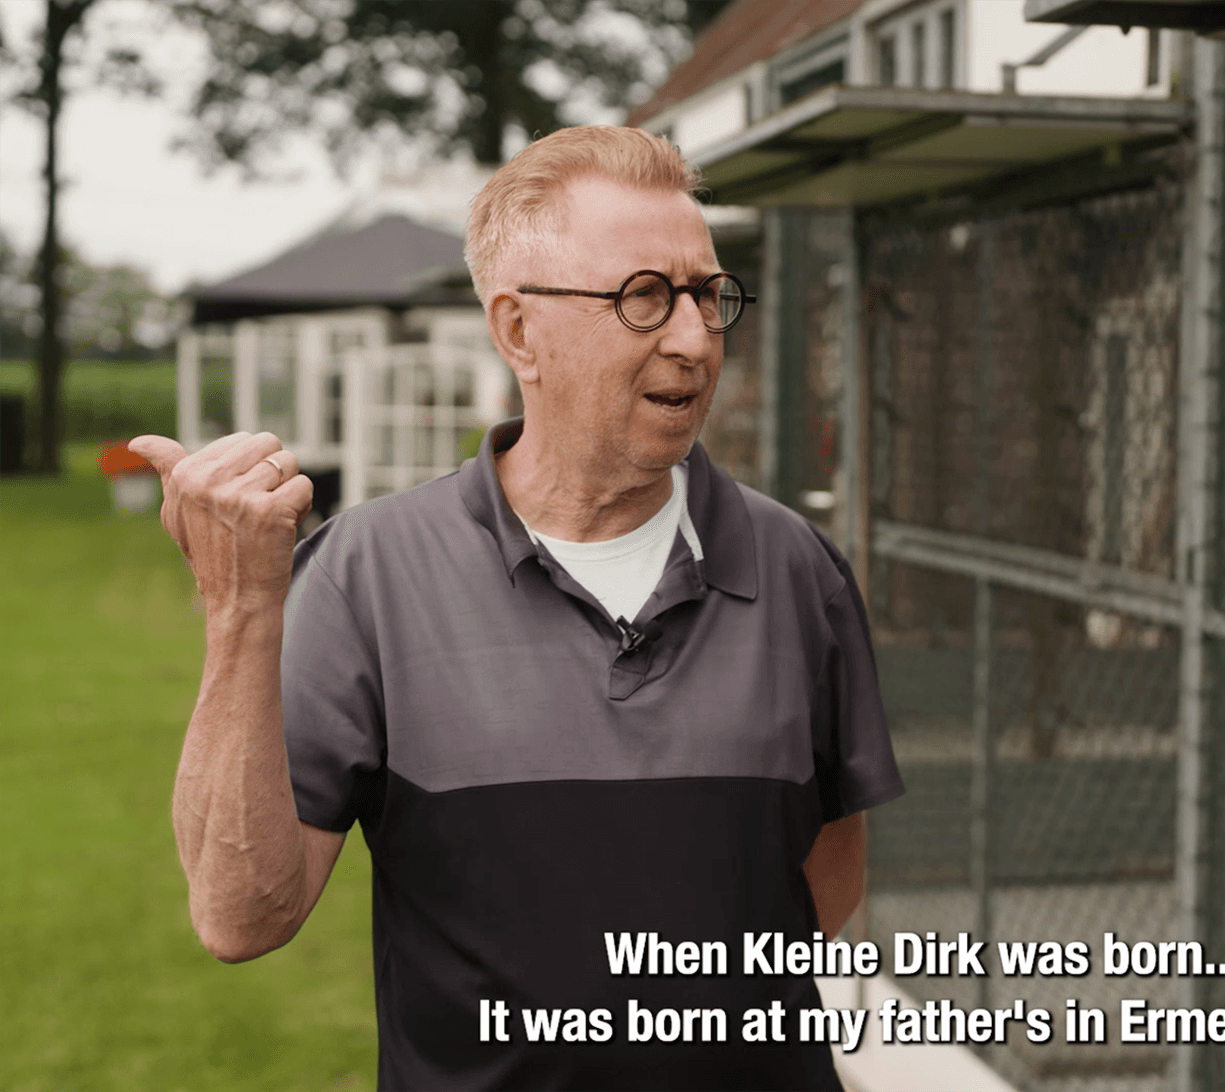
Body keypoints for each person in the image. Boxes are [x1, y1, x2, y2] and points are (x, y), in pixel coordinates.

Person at [130, 125, 904, 1091]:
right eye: (644, 297)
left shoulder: (798, 570)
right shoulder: (367, 575)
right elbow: (241, 916)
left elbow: (824, 886)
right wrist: (242, 608)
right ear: (518, 332)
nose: (694, 339)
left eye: (707, 295)